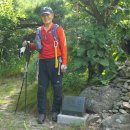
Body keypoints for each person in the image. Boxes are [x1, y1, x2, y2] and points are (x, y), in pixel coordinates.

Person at [23, 6, 67, 124]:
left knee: (57, 88)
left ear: (52, 16)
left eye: (48, 15)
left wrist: (65, 63)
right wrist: (28, 44)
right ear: (41, 17)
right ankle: (42, 113)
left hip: (56, 62)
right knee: (41, 89)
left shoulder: (58, 29)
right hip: (42, 62)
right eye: (43, 15)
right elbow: (37, 46)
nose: (46, 17)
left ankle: (55, 111)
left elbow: (63, 46)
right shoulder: (39, 30)